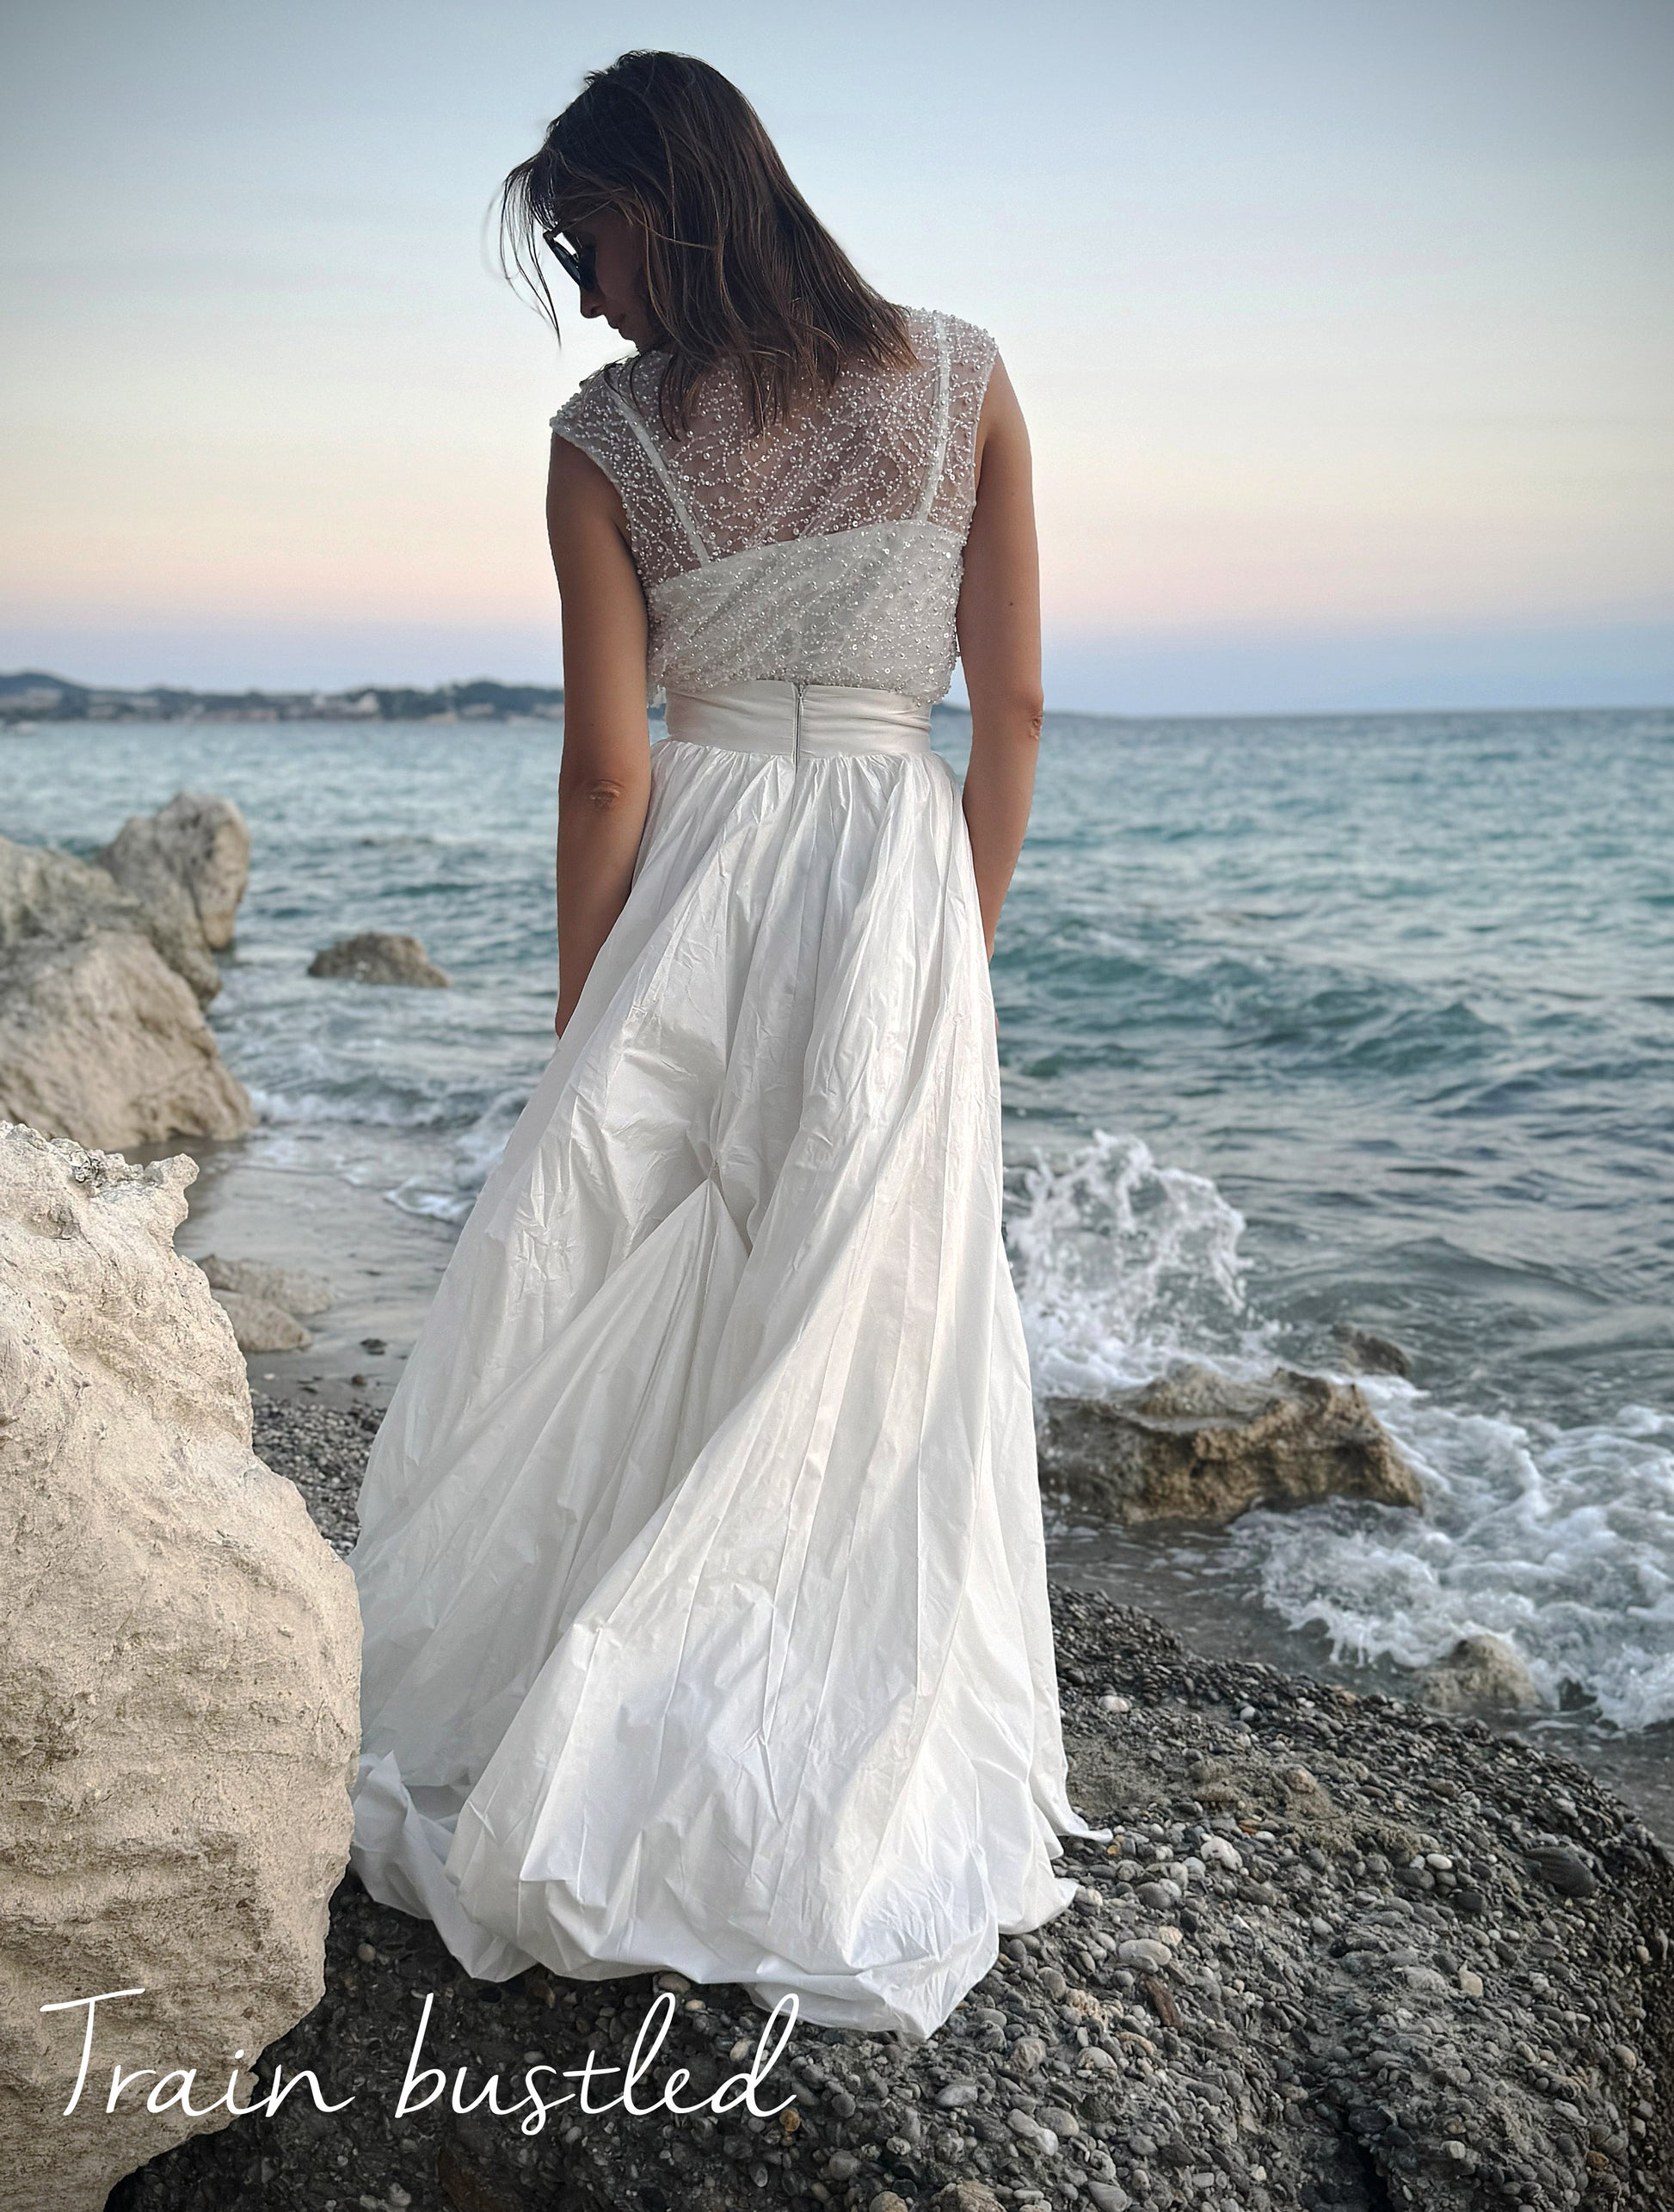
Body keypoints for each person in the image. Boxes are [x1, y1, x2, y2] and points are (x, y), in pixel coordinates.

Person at [348, 48, 1094, 2042]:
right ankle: (792, 1728)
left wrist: (583, 1013)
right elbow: (1013, 704)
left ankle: (613, 1696)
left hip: (696, 874)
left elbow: (607, 772)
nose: (587, 298)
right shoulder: (963, 375)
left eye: (587, 244)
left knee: (614, 1262)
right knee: (861, 1304)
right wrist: (952, 936)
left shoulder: (604, 443)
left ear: (670, 208)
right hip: (889, 868)